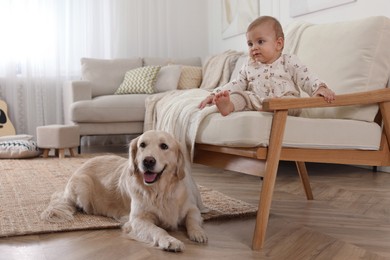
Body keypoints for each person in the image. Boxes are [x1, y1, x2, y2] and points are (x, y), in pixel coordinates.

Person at [199, 16, 335, 116]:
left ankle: (276, 107)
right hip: (257, 101)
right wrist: (216, 94)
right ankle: (228, 106)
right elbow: (236, 83)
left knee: (291, 102)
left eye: (260, 41)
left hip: (285, 101)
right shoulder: (249, 65)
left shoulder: (289, 61)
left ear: (278, 44)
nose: (254, 48)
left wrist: (319, 88)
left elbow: (306, 77)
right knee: (242, 96)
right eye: (250, 44)